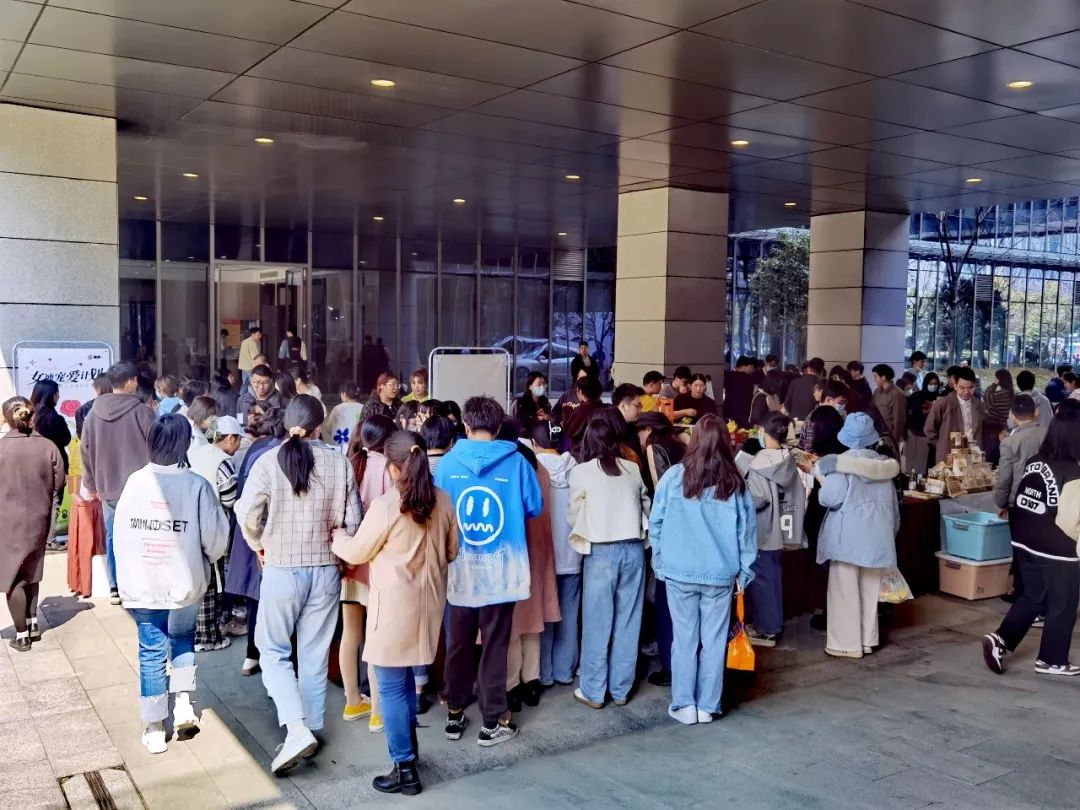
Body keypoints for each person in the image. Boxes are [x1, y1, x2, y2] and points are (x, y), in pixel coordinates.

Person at [234, 395, 362, 775]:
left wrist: (259, 544)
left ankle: (295, 728)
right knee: (313, 653)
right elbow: (353, 522)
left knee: (273, 650)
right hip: (325, 570)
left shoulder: (268, 461)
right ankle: (311, 726)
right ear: (319, 426)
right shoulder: (339, 462)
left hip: (282, 569)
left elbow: (247, 513)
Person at [331, 431, 458, 795]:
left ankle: (404, 769)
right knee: (404, 686)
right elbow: (452, 551)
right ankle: (411, 753)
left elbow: (357, 551)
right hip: (428, 608)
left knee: (390, 689)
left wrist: (338, 537)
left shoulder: (387, 506)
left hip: (392, 612)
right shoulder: (443, 500)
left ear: (393, 468)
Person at [113, 414, 229, 753]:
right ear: (185, 444)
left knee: (151, 651)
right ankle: (183, 705)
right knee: (182, 641)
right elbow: (216, 542)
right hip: (184, 583)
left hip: (144, 584)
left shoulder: (135, 483)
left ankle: (153, 727)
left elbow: (120, 536)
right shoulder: (196, 486)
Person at [434, 396, 543, 746]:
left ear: (465, 425)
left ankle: (454, 713)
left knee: (458, 644)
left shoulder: (447, 464)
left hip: (459, 569)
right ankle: (492, 721)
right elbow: (534, 507)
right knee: (495, 645)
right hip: (502, 571)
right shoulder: (518, 462)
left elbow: (438, 512)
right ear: (497, 427)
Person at [648, 414, 757, 724]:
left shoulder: (673, 477)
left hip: (679, 573)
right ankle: (708, 706)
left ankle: (684, 705)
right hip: (720, 576)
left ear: (693, 440)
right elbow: (747, 534)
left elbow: (656, 523)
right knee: (714, 642)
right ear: (725, 443)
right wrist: (744, 573)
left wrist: (660, 563)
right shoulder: (735, 482)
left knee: (683, 640)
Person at [983, 402, 1080, 677]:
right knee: (1063, 604)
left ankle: (1000, 639)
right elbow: (1070, 522)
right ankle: (1051, 660)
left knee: (1033, 596)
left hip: (1023, 539)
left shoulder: (1036, 460)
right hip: (1057, 548)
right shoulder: (1073, 473)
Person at [568, 413, 650, 710]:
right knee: (629, 622)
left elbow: (573, 514)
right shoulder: (632, 468)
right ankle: (620, 690)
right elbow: (646, 506)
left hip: (601, 553)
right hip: (634, 551)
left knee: (597, 624)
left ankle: (593, 691)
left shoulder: (581, 472)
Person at [814, 413, 900, 659]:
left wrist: (821, 478)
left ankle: (846, 644)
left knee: (844, 592)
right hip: (878, 538)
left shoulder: (840, 466)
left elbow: (828, 499)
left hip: (847, 539)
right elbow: (894, 509)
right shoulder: (884, 468)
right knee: (869, 592)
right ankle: (867, 640)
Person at [81, 361, 157, 605]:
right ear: (132, 382)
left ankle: (115, 586)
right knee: (143, 535)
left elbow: (85, 452)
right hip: (142, 487)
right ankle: (141, 583)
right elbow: (157, 447)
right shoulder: (142, 412)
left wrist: (92, 484)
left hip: (108, 486)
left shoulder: (92, 414)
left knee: (114, 536)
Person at [341, 414, 398, 731]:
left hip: (348, 562)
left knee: (350, 634)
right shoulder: (389, 469)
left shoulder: (350, 464)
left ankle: (353, 701)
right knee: (375, 638)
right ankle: (377, 712)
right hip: (376, 565)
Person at [501, 422, 560, 712]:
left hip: (513, 552)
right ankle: (532, 681)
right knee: (533, 619)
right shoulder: (539, 468)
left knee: (512, 623)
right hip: (539, 549)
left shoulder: (508, 468)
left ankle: (512, 685)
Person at [224, 407, 286, 677]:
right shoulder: (276, 452)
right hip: (266, 531)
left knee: (254, 597)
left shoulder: (254, 448)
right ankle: (274, 662)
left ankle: (252, 655)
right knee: (273, 601)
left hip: (247, 529)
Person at [0, 397, 65, 652]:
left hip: (8, 521)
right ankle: (33, 622)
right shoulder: (48, 446)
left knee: (13, 577)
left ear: (6, 418)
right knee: (32, 571)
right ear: (31, 414)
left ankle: (21, 635)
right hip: (40, 517)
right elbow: (58, 482)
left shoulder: (2, 448)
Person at [745, 412, 806, 647]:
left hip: (763, 530)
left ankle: (767, 629)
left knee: (762, 581)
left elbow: (758, 498)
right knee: (773, 578)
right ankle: (773, 623)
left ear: (763, 431)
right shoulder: (787, 459)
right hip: (783, 528)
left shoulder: (759, 463)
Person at [635, 411, 685, 687]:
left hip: (668, 531)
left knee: (662, 597)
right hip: (687, 533)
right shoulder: (679, 442)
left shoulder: (654, 447)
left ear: (647, 429)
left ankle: (667, 661)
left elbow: (660, 491)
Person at [529, 424, 581, 688]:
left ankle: (545, 673)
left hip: (544, 556)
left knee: (545, 615)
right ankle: (564, 671)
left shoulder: (532, 469)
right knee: (569, 614)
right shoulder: (577, 469)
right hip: (572, 554)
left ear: (533, 443)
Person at [188, 415, 244, 652]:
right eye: (238, 440)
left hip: (190, 524)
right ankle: (208, 637)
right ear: (230, 438)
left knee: (197, 579)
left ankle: (195, 632)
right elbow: (230, 498)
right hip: (213, 528)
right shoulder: (222, 462)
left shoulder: (195, 453)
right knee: (213, 583)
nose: (238, 445)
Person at [925, 367, 984, 464]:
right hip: (949, 455)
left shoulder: (979, 405)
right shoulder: (943, 404)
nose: (966, 392)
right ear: (955, 385)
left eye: (970, 388)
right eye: (962, 388)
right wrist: (942, 444)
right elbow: (929, 429)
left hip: (973, 455)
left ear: (975, 386)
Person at [30, 379, 71, 503]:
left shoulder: (29, 418)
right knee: (53, 506)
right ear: (52, 395)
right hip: (54, 469)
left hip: (32, 469)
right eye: (57, 393)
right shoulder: (54, 419)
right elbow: (66, 439)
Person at [905, 372, 942, 473]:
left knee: (923, 462)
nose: (933, 386)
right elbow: (910, 413)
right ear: (926, 384)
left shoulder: (940, 399)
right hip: (914, 432)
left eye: (935, 384)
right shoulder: (917, 396)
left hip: (929, 436)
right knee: (910, 460)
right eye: (930, 384)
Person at [561, 374, 603, 454]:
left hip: (582, 452)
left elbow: (570, 431)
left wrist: (566, 411)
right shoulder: (603, 406)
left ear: (580, 391)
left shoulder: (583, 409)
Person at [323, 382, 366, 453]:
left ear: (344, 394)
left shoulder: (337, 409)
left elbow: (329, 428)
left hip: (338, 448)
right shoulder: (363, 408)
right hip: (356, 449)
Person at [983, 369, 1015, 464]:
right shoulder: (1010, 393)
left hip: (995, 428)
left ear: (999, 379)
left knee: (991, 455)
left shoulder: (1002, 393)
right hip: (1003, 426)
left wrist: (993, 385)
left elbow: (987, 397)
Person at [871, 364, 906, 446]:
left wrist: (893, 440)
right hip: (877, 433)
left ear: (883, 377)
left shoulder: (897, 393)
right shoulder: (877, 391)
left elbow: (899, 419)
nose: (874, 379)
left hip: (890, 436)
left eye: (876, 376)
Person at [723, 356, 757, 429]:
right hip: (743, 414)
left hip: (728, 411)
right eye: (752, 367)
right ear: (746, 366)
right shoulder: (748, 379)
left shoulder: (728, 376)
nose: (752, 370)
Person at [76, 373, 112, 438]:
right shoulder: (119, 402)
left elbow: (79, 412)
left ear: (98, 388)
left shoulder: (92, 405)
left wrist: (82, 436)